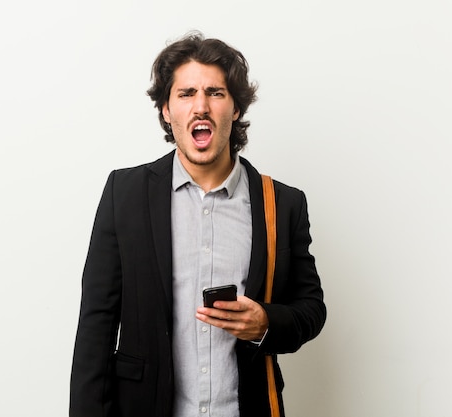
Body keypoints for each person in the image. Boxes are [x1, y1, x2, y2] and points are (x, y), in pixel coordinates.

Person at [69, 32, 326, 417]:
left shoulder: (283, 204)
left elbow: (311, 309)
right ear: (166, 111)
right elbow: (96, 327)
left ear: (236, 108)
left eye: (216, 93)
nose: (200, 106)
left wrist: (264, 323)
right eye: (186, 93)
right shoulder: (125, 194)